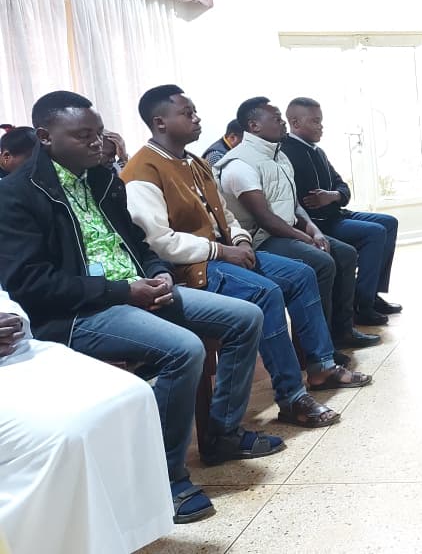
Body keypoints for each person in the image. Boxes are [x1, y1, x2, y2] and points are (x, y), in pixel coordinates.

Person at [0, 91, 283, 526]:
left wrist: (160, 273)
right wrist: (123, 291)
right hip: (78, 312)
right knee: (183, 349)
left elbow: (138, 242)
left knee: (246, 317)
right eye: (83, 135)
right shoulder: (17, 195)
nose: (97, 143)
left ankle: (222, 435)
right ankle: (164, 479)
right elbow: (31, 283)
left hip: (138, 289)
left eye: (98, 133)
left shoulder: (102, 178)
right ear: (45, 136)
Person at [123, 85, 366, 421]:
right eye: (187, 113)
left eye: (195, 112)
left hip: (224, 253)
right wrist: (221, 250)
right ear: (159, 122)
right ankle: (292, 397)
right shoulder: (141, 171)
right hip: (190, 267)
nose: (197, 118)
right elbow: (157, 241)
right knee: (265, 292)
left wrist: (239, 241)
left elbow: (226, 214)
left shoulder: (195, 163)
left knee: (301, 274)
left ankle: (322, 365)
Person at [0, 285, 174, 553]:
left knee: (133, 394)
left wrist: (11, 319)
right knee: (65, 433)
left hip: (15, 352)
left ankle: (121, 537)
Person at [216, 97, 382, 347]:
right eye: (276, 119)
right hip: (259, 239)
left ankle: (342, 330)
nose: (283, 123)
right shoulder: (239, 164)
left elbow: (293, 204)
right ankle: (316, 344)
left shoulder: (279, 156)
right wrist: (304, 237)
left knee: (345, 254)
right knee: (322, 262)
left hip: (284, 232)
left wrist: (314, 230)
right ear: (254, 126)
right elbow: (265, 218)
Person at [283, 97, 401, 318]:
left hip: (336, 213)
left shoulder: (318, 151)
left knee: (389, 222)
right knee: (375, 232)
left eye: (321, 121)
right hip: (319, 223)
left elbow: (343, 187)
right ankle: (362, 305)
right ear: (295, 123)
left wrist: (332, 196)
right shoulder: (286, 154)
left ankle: (372, 294)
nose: (321, 126)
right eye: (315, 121)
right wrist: (329, 202)